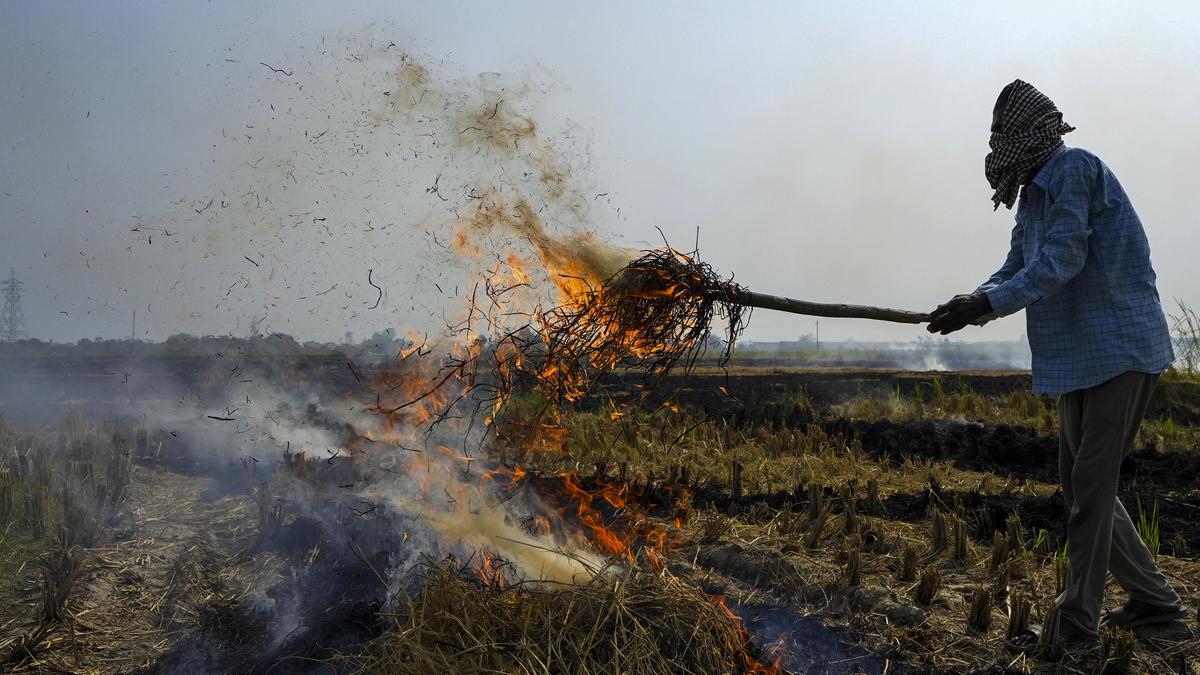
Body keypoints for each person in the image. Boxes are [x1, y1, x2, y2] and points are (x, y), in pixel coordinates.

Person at [926, 79, 1188, 649]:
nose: (999, 148)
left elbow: (1062, 259)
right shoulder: (1035, 194)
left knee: (1091, 487)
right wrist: (972, 301)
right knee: (1081, 488)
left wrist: (986, 303)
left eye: (1005, 136)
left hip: (1118, 348)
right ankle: (1156, 602)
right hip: (1078, 357)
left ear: (1030, 134)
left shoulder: (1073, 169)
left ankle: (1074, 627)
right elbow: (1019, 260)